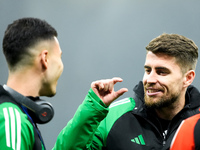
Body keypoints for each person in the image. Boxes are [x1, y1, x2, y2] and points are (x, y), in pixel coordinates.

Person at [53, 33, 200, 150]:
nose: (150, 79)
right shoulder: (112, 116)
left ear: (187, 78)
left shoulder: (197, 123)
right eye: (148, 70)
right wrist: (93, 108)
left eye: (161, 72)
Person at [0, 17, 65, 150]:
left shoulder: (11, 115)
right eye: (60, 57)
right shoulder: (12, 120)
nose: (61, 65)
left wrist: (92, 109)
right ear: (45, 59)